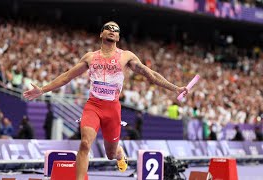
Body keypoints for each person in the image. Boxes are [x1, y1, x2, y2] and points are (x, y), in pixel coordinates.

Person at [23, 21, 188, 180]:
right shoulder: (90, 57)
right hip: (93, 106)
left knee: (110, 154)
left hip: (113, 109)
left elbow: (149, 74)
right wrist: (42, 90)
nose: (112, 31)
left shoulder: (126, 56)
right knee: (85, 143)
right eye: (108, 28)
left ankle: (119, 153)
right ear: (101, 33)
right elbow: (67, 76)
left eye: (115, 30)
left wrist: (175, 88)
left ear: (118, 37)